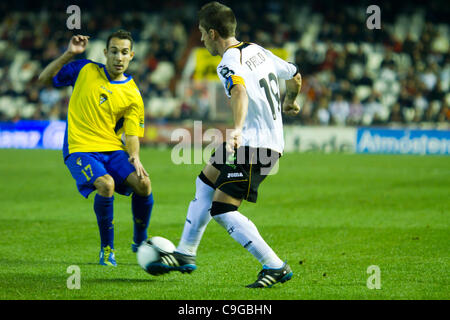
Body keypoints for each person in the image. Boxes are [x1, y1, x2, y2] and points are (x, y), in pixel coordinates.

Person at [147, 2, 302, 288]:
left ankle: (275, 266)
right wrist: (290, 101)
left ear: (213, 33)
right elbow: (293, 74)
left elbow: (239, 91)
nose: (202, 39)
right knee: (206, 182)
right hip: (258, 142)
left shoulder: (228, 62)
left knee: (224, 210)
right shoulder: (258, 50)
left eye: (202, 34)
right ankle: (185, 253)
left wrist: (237, 130)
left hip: (256, 146)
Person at [38, 30, 154, 267]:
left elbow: (132, 133)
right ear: (105, 53)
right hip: (79, 148)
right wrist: (69, 54)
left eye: (124, 53)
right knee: (106, 184)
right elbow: (44, 79)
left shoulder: (133, 93)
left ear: (131, 56)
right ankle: (107, 249)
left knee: (144, 183)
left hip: (112, 149)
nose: (118, 57)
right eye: (114, 52)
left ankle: (140, 240)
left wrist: (134, 157)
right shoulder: (84, 69)